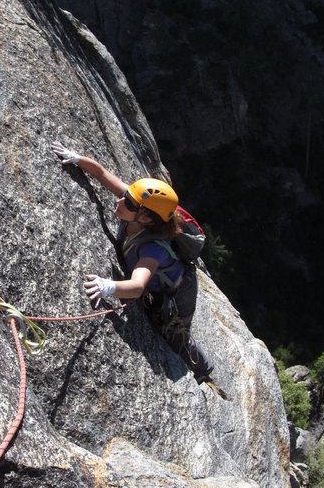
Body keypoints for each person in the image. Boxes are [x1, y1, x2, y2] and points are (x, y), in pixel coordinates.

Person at [51, 141, 215, 387]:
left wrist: (108, 286)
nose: (120, 201)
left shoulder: (151, 249)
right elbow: (103, 174)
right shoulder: (138, 204)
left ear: (147, 218)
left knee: (172, 330)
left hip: (180, 292)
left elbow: (138, 286)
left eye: (128, 203)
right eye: (126, 197)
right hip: (167, 278)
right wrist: (77, 159)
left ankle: (202, 369)